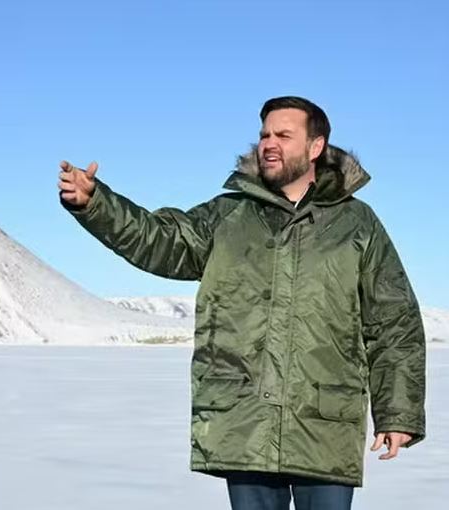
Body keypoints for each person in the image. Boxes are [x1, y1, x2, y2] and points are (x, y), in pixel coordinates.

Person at [57, 96, 426, 510]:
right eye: (265, 134)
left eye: (284, 135)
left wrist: (398, 414)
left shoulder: (358, 224)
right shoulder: (228, 215)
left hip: (325, 422)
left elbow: (394, 322)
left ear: (315, 146)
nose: (269, 143)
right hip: (246, 418)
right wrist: (96, 204)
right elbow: (160, 241)